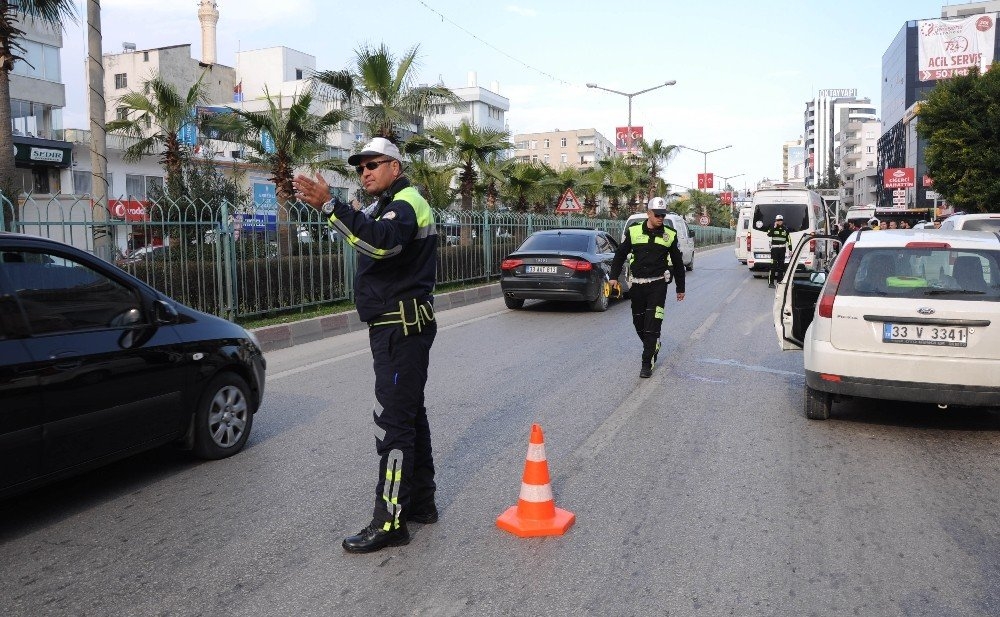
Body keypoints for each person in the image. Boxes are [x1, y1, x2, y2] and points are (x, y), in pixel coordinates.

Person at [293, 137, 439, 554]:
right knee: (410, 417)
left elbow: (381, 242)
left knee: (395, 425)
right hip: (400, 326)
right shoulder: (392, 205)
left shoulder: (406, 203)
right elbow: (370, 234)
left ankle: (391, 520)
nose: (365, 172)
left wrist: (329, 206)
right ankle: (422, 504)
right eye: (360, 167)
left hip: (400, 328)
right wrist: (335, 212)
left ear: (395, 166)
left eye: (373, 164)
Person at [608, 197, 686, 378]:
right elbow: (620, 255)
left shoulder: (670, 235)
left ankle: (646, 363)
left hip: (658, 285)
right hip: (637, 286)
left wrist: (680, 288)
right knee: (639, 323)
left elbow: (678, 263)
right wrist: (613, 277)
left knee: (652, 325)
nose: (660, 218)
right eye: (657, 215)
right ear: (649, 214)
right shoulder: (633, 232)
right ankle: (653, 345)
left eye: (663, 215)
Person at [759, 214, 790, 288]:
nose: (779, 221)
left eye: (781, 220)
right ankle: (771, 283)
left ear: (782, 221)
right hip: (775, 250)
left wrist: (791, 249)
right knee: (773, 267)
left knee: (781, 267)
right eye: (778, 220)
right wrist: (774, 227)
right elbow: (769, 234)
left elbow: (789, 239)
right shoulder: (772, 227)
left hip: (782, 250)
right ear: (776, 221)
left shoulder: (785, 229)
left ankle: (779, 282)